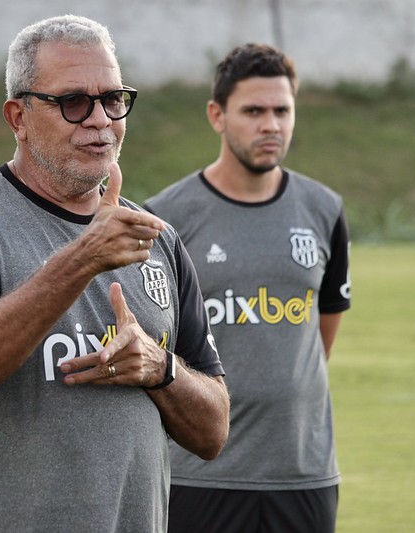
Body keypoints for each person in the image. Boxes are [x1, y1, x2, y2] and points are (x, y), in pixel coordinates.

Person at [0, 15, 230, 532]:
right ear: (19, 116)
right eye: (74, 102)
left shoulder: (159, 240)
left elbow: (213, 432)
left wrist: (160, 368)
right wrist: (84, 257)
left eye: (113, 99)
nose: (100, 119)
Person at [144, 43, 351, 533]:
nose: (271, 125)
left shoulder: (324, 210)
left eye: (282, 110)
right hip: (198, 474)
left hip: (304, 473)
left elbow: (320, 337)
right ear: (217, 115)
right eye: (254, 111)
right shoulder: (166, 216)